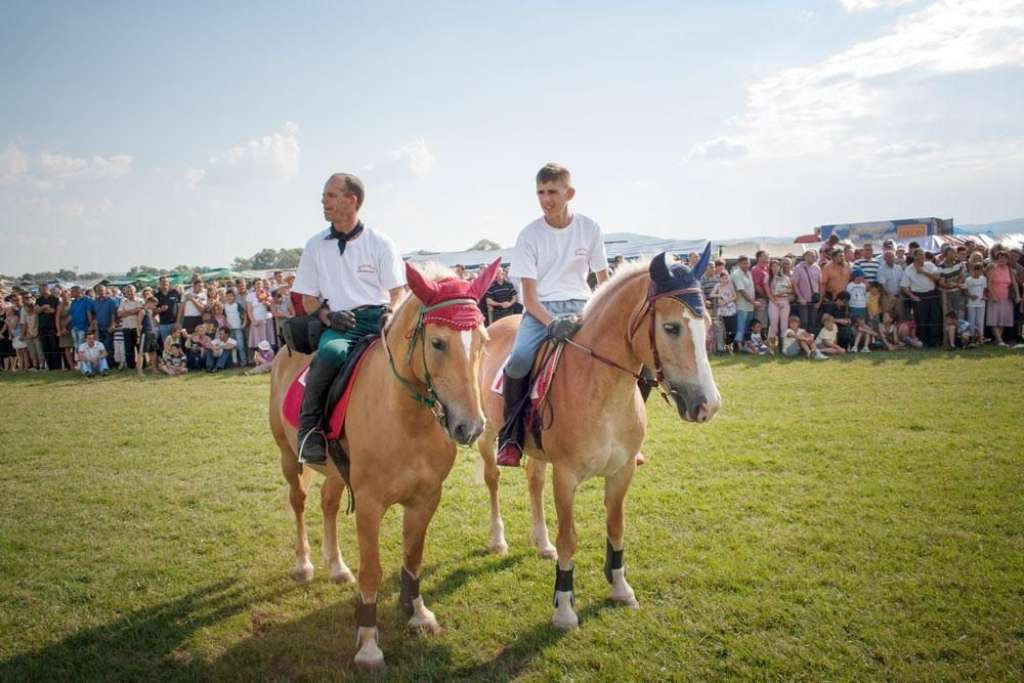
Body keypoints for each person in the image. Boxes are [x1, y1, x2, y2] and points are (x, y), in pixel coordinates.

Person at [498, 163, 609, 467]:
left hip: (583, 307)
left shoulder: (590, 229)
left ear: (569, 193)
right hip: (541, 310)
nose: (546, 199)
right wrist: (552, 323)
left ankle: (628, 432)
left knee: (628, 355)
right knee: (519, 358)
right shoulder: (529, 235)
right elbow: (530, 297)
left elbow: (604, 282)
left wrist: (604, 314)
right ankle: (510, 437)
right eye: (540, 192)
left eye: (552, 192)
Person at [291, 172, 405, 464]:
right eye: (324, 195)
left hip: (380, 320)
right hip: (340, 324)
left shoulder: (381, 243)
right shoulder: (315, 245)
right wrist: (328, 317)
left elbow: (397, 292)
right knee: (329, 354)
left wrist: (391, 315)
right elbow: (307, 299)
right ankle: (309, 431)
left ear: (351, 200)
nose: (323, 201)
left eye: (330, 195)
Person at [900, 248, 941, 347]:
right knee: (921, 320)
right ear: (914, 256)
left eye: (923, 254)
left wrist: (923, 272)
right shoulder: (909, 269)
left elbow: (937, 277)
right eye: (920, 255)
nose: (922, 257)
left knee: (935, 318)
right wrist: (912, 296)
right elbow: (903, 286)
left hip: (932, 294)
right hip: (919, 296)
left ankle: (935, 341)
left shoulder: (930, 265)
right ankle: (924, 341)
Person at [985, 250, 1015, 347]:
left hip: (1006, 298)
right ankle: (1000, 340)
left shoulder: (1009, 269)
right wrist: (993, 295)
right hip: (995, 297)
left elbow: (1013, 284)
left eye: (1004, 258)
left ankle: (999, 341)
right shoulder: (992, 268)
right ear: (997, 259)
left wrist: (1017, 295)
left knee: (1002, 321)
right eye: (1000, 258)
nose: (1002, 260)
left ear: (1007, 260)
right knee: (994, 320)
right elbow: (988, 284)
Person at [792, 250, 821, 334]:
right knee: (804, 322)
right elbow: (794, 284)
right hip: (803, 301)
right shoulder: (798, 268)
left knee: (812, 322)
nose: (814, 257)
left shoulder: (817, 267)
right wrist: (800, 298)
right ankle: (802, 341)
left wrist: (820, 299)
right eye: (811, 255)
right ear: (805, 256)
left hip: (815, 300)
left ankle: (810, 342)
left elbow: (820, 284)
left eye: (814, 256)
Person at [731, 256, 757, 346]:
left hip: (750, 306)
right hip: (741, 305)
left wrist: (753, 303)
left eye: (748, 263)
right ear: (739, 264)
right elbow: (741, 291)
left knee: (747, 326)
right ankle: (738, 346)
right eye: (744, 263)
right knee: (740, 327)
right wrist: (753, 302)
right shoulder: (737, 274)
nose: (747, 265)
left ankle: (745, 346)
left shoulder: (749, 273)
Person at [767, 257, 792, 350]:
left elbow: (790, 289)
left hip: (785, 302)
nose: (775, 268)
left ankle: (783, 347)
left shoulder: (786, 278)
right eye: (773, 266)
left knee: (784, 326)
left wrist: (782, 292)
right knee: (774, 326)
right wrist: (775, 301)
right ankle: (772, 348)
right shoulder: (768, 278)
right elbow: (769, 292)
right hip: (774, 303)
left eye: (777, 266)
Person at [116, 284, 143, 370]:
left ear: (134, 291)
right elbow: (119, 314)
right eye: (127, 292)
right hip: (126, 328)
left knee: (139, 348)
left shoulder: (140, 301)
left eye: (131, 291)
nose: (129, 293)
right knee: (128, 349)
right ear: (125, 293)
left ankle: (142, 365)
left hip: (137, 328)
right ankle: (131, 366)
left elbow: (140, 311)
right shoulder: (123, 302)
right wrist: (132, 311)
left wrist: (126, 312)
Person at [35, 282, 61, 371]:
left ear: (46, 288)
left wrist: (41, 308)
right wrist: (44, 307)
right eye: (39, 288)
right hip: (42, 326)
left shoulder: (54, 299)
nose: (41, 290)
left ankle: (57, 367)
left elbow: (52, 311)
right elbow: (37, 311)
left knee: (54, 347)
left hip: (52, 326)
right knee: (45, 348)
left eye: (42, 288)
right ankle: (50, 367)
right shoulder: (39, 300)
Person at [711, 270, 737, 353]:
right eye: (724, 278)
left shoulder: (730, 285)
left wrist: (727, 301)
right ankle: (721, 348)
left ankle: (729, 347)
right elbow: (711, 294)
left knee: (731, 329)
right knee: (721, 330)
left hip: (730, 309)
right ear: (720, 278)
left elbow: (735, 296)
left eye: (727, 278)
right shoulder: (717, 286)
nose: (725, 280)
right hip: (722, 310)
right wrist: (719, 295)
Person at [92, 285, 119, 360]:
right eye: (98, 290)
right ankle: (103, 363)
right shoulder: (95, 302)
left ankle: (111, 363)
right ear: (96, 292)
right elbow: (94, 314)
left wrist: (113, 325)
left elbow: (114, 314)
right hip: (99, 327)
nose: (100, 292)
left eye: (102, 290)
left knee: (109, 345)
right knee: (100, 346)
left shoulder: (111, 301)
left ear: (105, 290)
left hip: (108, 327)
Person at [154, 276, 181, 349]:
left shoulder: (175, 292)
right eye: (162, 282)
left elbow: (180, 308)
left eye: (166, 282)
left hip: (175, 323)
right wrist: (160, 310)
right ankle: (167, 359)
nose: (164, 283)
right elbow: (153, 311)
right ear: (159, 283)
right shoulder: (156, 295)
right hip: (163, 324)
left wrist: (178, 322)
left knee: (177, 344)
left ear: (169, 283)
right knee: (166, 344)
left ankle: (178, 360)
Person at [964, 262, 987, 345]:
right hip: (971, 303)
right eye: (975, 270)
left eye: (979, 270)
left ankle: (981, 338)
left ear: (981, 271)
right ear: (971, 270)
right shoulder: (968, 280)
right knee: (971, 321)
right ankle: (972, 338)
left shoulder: (983, 279)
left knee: (980, 321)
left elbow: (984, 290)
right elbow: (965, 292)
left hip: (981, 303)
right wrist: (970, 296)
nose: (977, 272)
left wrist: (984, 296)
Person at [223, 289, 248, 366]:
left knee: (240, 345)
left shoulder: (237, 305)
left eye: (231, 296)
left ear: (234, 297)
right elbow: (224, 317)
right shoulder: (225, 306)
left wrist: (244, 323)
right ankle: (235, 362)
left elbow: (244, 314)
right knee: (232, 346)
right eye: (227, 296)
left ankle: (244, 361)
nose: (229, 298)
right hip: (230, 329)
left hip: (238, 328)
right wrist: (227, 324)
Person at [136, 296, 160, 375]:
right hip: (144, 334)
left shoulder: (149, 312)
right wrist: (139, 336)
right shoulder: (142, 311)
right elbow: (138, 324)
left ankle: (154, 369)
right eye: (154, 305)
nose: (155, 307)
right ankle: (140, 371)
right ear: (149, 302)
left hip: (151, 333)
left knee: (153, 352)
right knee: (141, 353)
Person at [751, 250, 771, 329]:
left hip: (767, 298)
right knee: (760, 320)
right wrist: (766, 296)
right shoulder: (756, 269)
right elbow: (757, 286)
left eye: (767, 256)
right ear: (759, 257)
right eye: (765, 256)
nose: (767, 257)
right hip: (761, 298)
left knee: (765, 320)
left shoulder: (766, 268)